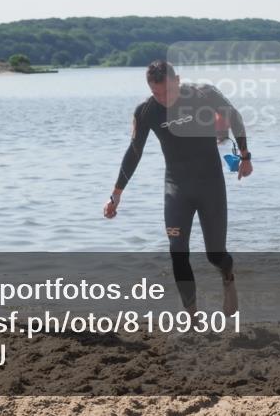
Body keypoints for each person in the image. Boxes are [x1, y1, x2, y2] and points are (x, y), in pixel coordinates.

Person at [104, 61, 252, 315]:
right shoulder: (146, 111)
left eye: (167, 92)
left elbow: (234, 117)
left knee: (215, 255)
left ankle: (228, 277)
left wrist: (245, 156)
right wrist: (116, 195)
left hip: (210, 185)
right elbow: (135, 152)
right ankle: (193, 316)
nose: (162, 99)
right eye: (156, 93)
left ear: (178, 80)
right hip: (176, 188)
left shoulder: (204, 93)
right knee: (178, 253)